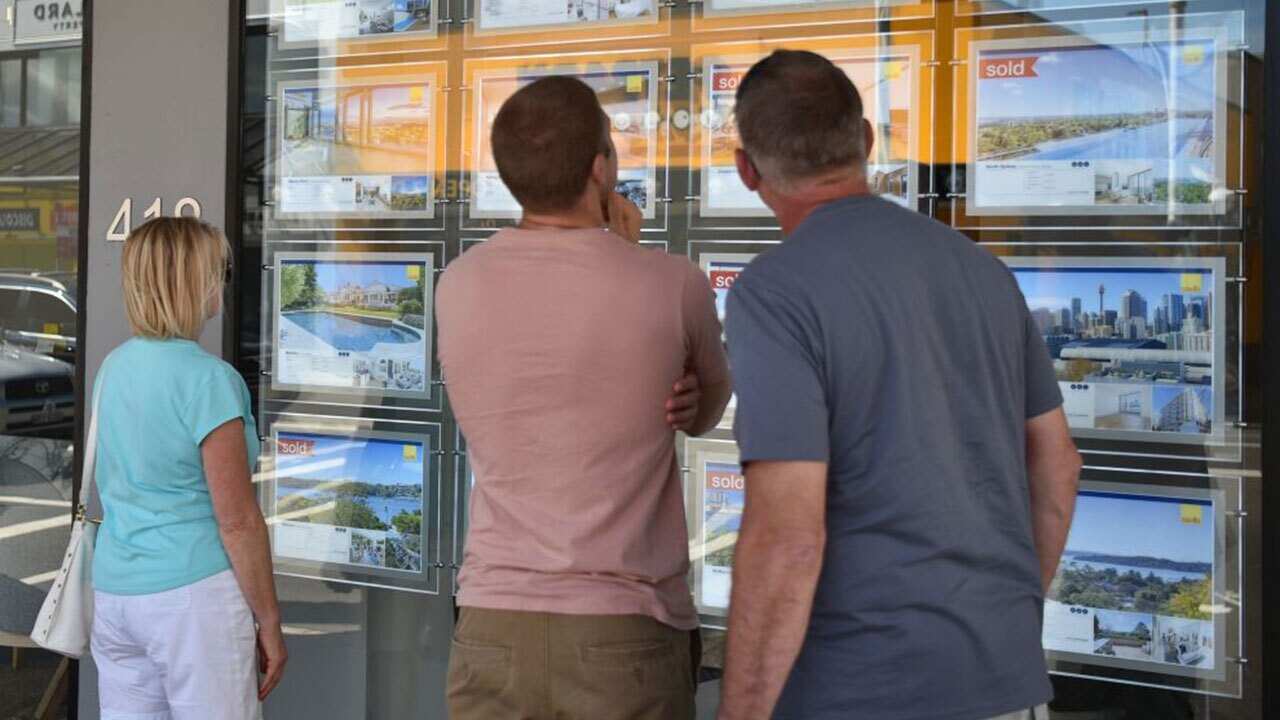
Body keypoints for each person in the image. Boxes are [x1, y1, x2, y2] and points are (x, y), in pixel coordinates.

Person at [716, 50, 1082, 720]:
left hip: (860, 689)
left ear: (746, 170)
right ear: (865, 142)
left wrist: (740, 711)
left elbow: (787, 533)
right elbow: (1057, 462)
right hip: (1005, 681)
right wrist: (1010, 609)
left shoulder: (776, 293)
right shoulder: (982, 272)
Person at [436, 76, 732, 720]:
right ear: (601, 168)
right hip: (625, 630)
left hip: (491, 627)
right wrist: (625, 249)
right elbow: (706, 410)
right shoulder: (671, 283)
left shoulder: (456, 285)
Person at [90, 217, 286, 719]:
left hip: (116, 593)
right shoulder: (209, 381)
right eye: (216, 270)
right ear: (195, 283)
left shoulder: (114, 366)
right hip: (193, 598)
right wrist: (268, 620)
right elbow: (237, 520)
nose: (221, 282)